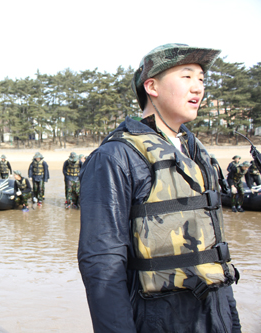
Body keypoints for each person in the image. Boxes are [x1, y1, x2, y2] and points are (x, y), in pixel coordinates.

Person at [78, 44, 240, 332]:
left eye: (202, 79)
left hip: (215, 311)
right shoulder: (116, 157)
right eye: (186, 77)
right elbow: (102, 264)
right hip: (160, 317)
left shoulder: (196, 152)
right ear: (151, 86)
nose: (198, 88)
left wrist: (231, 318)